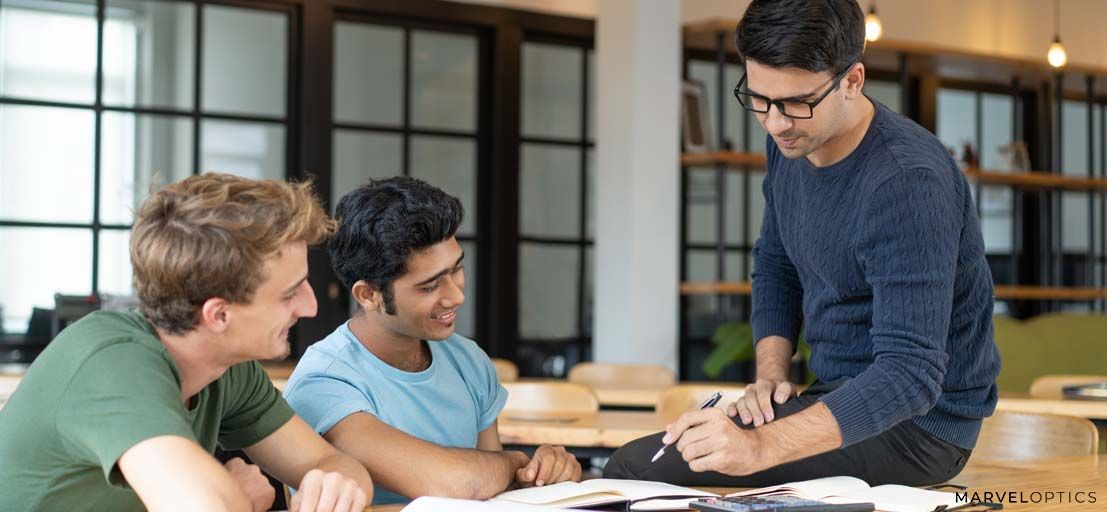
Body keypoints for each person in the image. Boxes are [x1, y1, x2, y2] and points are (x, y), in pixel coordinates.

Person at [604, 0, 1000, 488]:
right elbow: (776, 263)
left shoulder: (906, 180)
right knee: (647, 465)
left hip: (921, 430)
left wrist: (760, 448)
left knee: (637, 472)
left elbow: (910, 376)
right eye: (760, 99)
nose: (774, 123)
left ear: (852, 80)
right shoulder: (792, 141)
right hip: (832, 398)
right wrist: (770, 374)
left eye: (797, 102)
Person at [0, 173, 373, 511]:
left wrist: (338, 483)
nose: (310, 307)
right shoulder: (113, 365)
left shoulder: (227, 366)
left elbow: (330, 463)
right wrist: (238, 496)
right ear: (218, 315)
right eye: (290, 293)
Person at [283, 176, 582, 505]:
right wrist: (514, 462)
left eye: (456, 269)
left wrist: (541, 474)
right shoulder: (324, 381)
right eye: (429, 286)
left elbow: (491, 495)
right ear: (369, 294)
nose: (456, 296)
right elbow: (458, 483)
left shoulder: (468, 359)